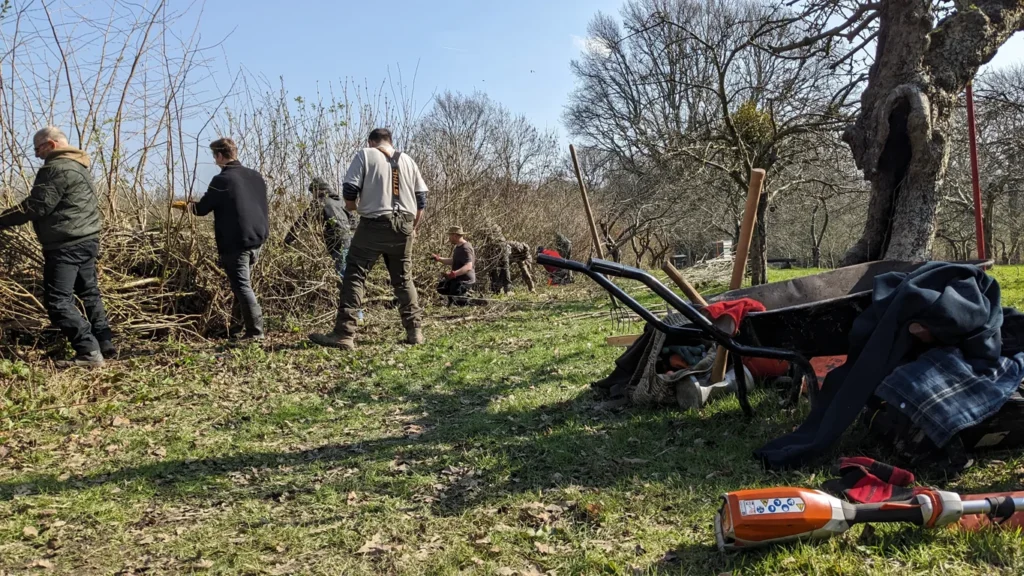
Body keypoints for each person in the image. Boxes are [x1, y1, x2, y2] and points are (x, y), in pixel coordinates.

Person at [0, 127, 113, 367]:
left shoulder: (56, 168)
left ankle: (88, 352)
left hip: (66, 245)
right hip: (87, 240)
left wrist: (2, 220)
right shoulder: (78, 165)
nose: (37, 155)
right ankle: (105, 343)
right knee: (88, 292)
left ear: (51, 145)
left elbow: (37, 206)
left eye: (38, 149)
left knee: (58, 301)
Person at [308, 128, 427, 350]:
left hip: (374, 223)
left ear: (371, 142)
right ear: (391, 141)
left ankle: (344, 334)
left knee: (355, 275)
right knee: (403, 279)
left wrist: (352, 207)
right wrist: (413, 229)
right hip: (405, 225)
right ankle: (415, 332)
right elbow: (421, 201)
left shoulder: (365, 154)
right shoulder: (408, 160)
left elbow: (350, 188)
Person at [174, 137, 269, 341]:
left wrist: (185, 206)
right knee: (241, 286)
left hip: (236, 242)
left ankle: (255, 332)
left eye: (214, 156)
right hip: (257, 240)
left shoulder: (222, 180)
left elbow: (201, 209)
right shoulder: (255, 176)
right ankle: (235, 330)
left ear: (219, 155)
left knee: (242, 286)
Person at [284, 177, 364, 323]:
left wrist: (287, 240)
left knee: (344, 279)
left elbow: (302, 221)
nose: (312, 196)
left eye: (312, 193)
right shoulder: (341, 202)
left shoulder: (320, 201)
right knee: (352, 278)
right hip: (351, 242)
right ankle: (356, 314)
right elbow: (354, 222)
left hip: (338, 245)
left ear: (317, 191)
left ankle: (354, 316)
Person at [433, 226, 475, 306]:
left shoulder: (465, 248)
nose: (449, 238)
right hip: (458, 278)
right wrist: (439, 259)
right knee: (442, 288)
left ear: (455, 236)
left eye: (450, 236)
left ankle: (472, 302)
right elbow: (453, 261)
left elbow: (468, 266)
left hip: (465, 280)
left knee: (459, 302)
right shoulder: (458, 247)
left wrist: (454, 274)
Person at [478, 224, 512, 294]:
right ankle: (503, 289)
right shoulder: (495, 230)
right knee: (503, 269)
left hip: (497, 249)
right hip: (500, 249)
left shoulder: (488, 230)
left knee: (497, 269)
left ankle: (499, 289)